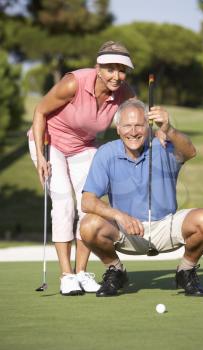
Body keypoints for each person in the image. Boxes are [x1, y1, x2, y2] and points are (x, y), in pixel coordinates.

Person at [28, 41, 137, 296]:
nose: (116, 76)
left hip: (84, 146)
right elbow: (40, 111)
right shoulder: (73, 82)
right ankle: (66, 276)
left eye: (122, 70)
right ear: (98, 67)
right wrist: (42, 158)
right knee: (64, 202)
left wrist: (160, 124)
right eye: (110, 69)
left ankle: (81, 272)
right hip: (49, 142)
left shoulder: (124, 92)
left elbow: (137, 114)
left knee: (87, 204)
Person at [80, 99, 203, 297]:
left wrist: (168, 128)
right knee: (88, 226)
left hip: (166, 226)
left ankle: (186, 270)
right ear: (118, 128)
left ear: (148, 126)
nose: (133, 131)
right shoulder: (106, 153)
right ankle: (116, 270)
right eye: (127, 126)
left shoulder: (163, 145)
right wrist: (119, 216)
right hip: (127, 231)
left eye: (139, 125)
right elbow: (87, 201)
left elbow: (190, 151)